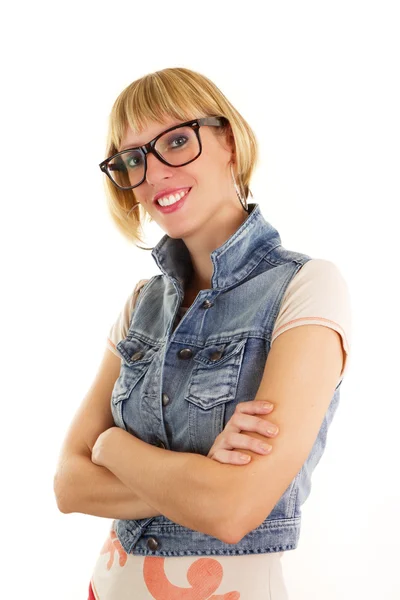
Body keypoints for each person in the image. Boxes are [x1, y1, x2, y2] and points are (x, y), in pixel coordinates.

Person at [53, 67, 352, 599]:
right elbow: (69, 485)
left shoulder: (306, 287)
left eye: (175, 140)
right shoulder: (141, 304)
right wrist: (199, 475)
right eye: (133, 158)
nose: (153, 173)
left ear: (229, 143)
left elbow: (233, 509)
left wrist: (113, 446)